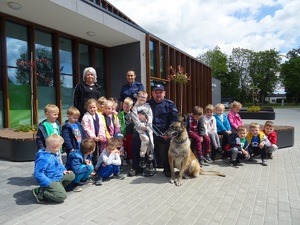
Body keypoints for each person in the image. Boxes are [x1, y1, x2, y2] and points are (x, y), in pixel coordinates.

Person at [144, 84, 179, 177]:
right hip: (152, 131)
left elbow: (174, 121)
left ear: (164, 93)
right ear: (152, 93)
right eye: (156, 92)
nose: (158, 94)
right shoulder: (147, 104)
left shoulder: (169, 104)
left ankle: (167, 167)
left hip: (166, 132)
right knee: (144, 140)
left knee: (169, 143)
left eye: (160, 92)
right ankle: (149, 165)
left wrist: (168, 133)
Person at [32, 134, 75, 204]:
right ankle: (41, 192)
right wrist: (48, 182)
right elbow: (38, 173)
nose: (60, 148)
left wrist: (63, 170)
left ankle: (56, 188)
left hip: (56, 176)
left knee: (71, 175)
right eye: (60, 147)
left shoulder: (53, 154)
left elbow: (59, 165)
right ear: (54, 147)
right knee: (62, 196)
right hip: (50, 180)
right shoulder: (44, 158)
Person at [131, 90, 155, 176]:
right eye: (140, 97)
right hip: (140, 129)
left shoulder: (148, 107)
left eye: (144, 97)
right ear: (137, 97)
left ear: (146, 98)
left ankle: (151, 162)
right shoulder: (135, 108)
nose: (142, 99)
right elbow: (135, 120)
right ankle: (142, 158)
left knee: (151, 144)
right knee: (146, 140)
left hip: (148, 128)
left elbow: (150, 117)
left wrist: (148, 126)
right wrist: (142, 126)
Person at [81, 98, 106, 165]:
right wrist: (93, 137)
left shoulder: (99, 115)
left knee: (99, 152)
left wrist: (101, 135)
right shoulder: (85, 117)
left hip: (98, 138)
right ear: (87, 108)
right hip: (90, 139)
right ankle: (90, 166)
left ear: (97, 107)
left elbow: (102, 126)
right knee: (91, 152)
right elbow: (86, 128)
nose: (92, 109)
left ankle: (98, 165)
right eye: (90, 108)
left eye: (94, 107)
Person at [118, 97, 134, 164]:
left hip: (130, 133)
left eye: (127, 107)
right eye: (124, 106)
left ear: (131, 107)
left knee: (130, 147)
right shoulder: (120, 114)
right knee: (123, 147)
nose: (126, 108)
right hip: (123, 134)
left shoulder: (132, 114)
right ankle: (123, 159)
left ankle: (130, 158)